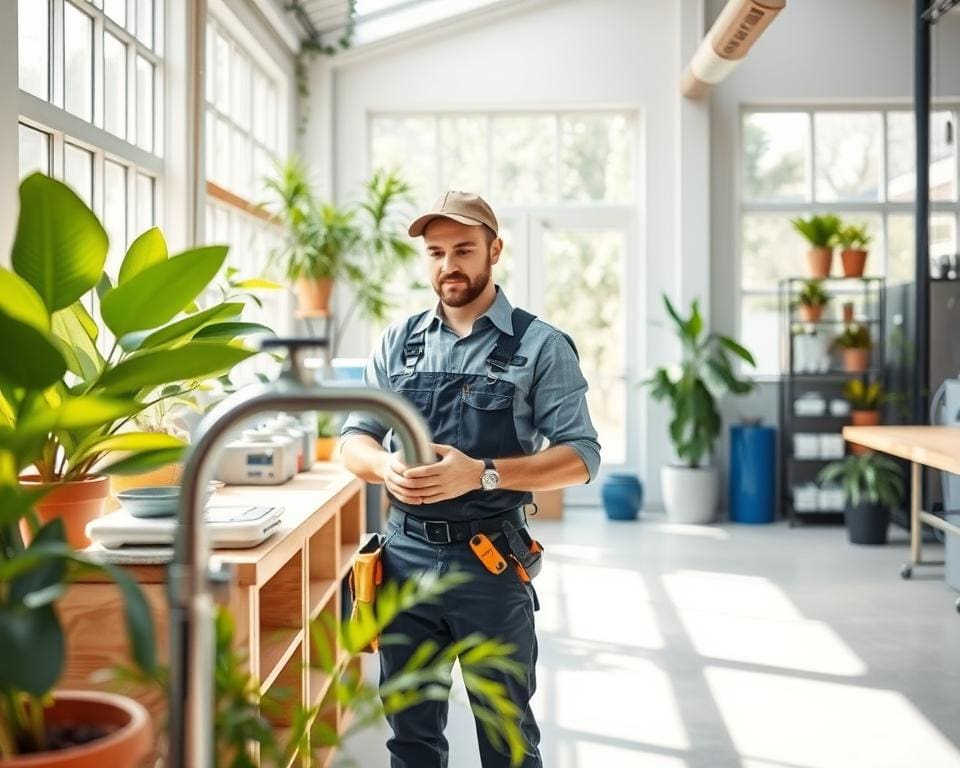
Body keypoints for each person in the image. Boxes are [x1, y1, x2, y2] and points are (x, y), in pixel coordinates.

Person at [340, 190, 601, 768]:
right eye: (435, 252)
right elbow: (352, 439)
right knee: (411, 740)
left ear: (495, 250)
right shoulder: (397, 342)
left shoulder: (541, 346)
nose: (448, 265)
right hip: (404, 561)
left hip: (489, 562)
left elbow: (583, 457)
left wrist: (480, 474)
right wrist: (384, 465)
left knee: (507, 741)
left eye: (463, 250)